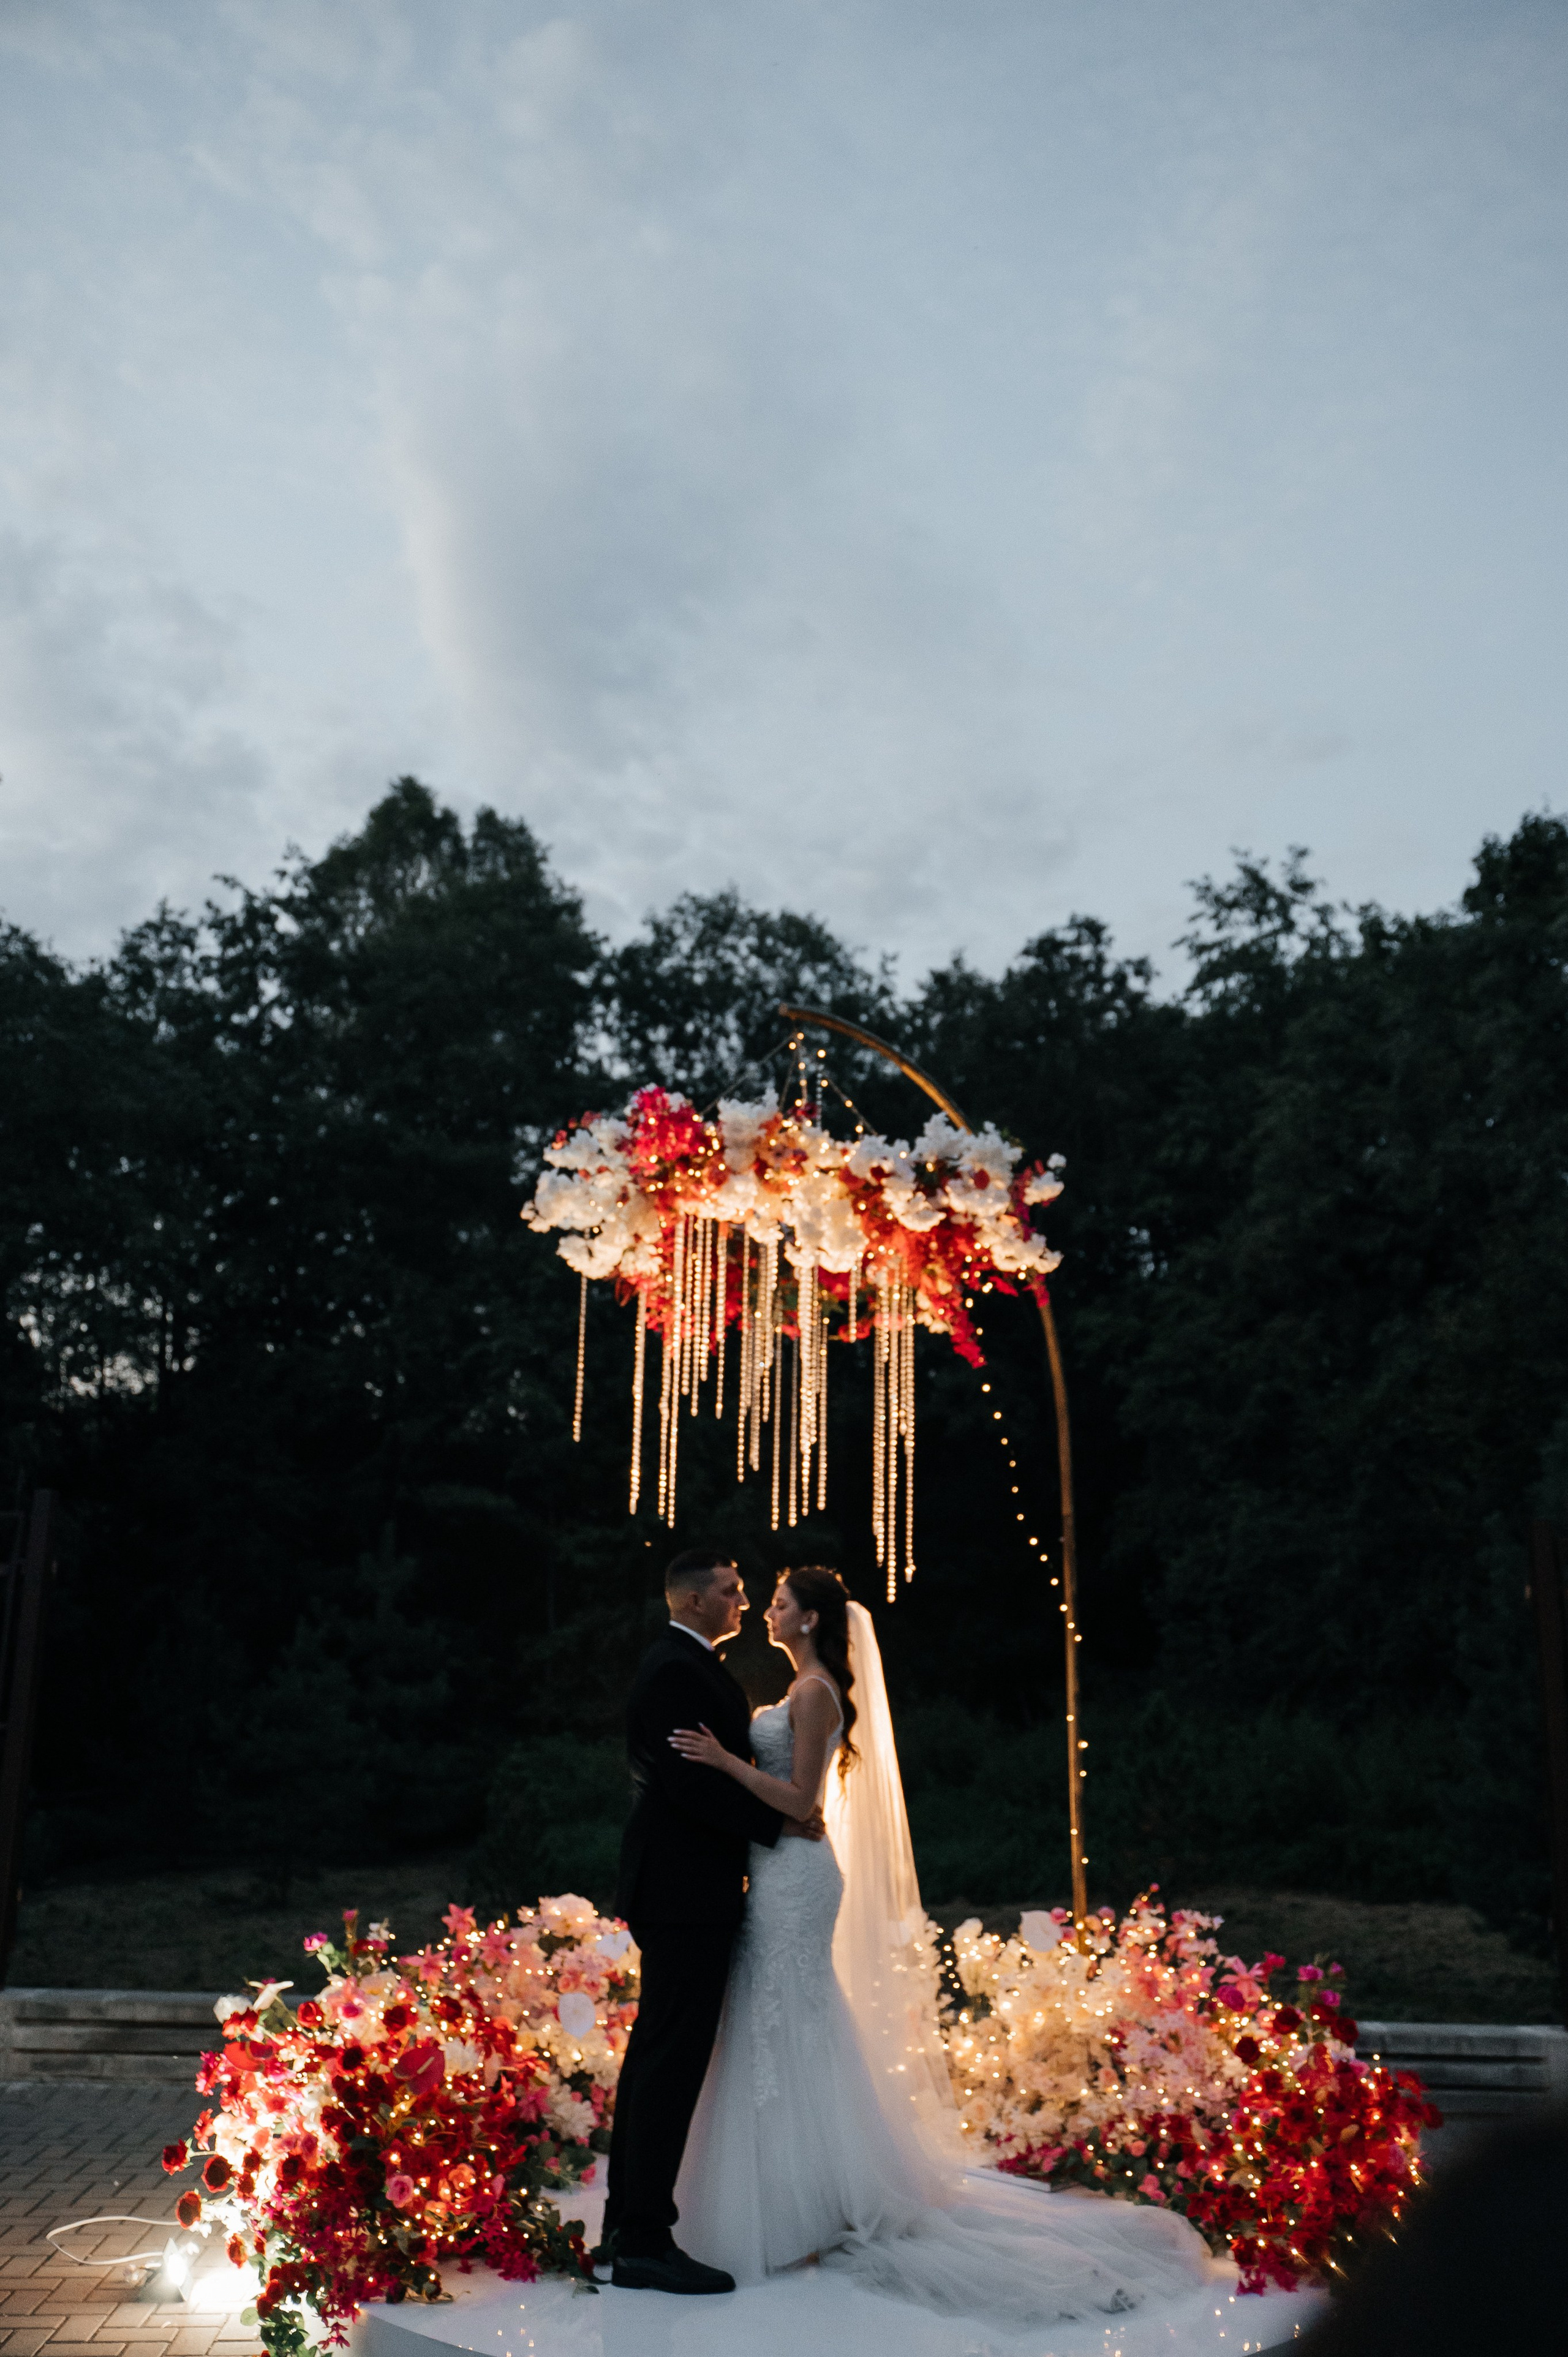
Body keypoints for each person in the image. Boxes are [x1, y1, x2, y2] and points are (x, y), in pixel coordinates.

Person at [666, 1566, 1214, 2328]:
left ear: (813, 1619)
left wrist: (724, 1762)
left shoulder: (814, 1691)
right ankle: (803, 2197)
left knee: (787, 2017)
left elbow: (800, 1802)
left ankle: (806, 2207)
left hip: (794, 1878)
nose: (767, 1609)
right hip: (781, 1867)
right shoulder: (803, 1688)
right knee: (784, 2020)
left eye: (782, 1602)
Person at [600, 1547, 826, 2295]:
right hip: (684, 1890)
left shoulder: (685, 1662)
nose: (743, 1600)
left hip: (684, 1887)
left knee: (658, 2050)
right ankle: (643, 2240)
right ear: (693, 1600)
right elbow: (686, 1782)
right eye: (730, 1591)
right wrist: (780, 1824)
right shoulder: (674, 1668)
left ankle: (624, 2225)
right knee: (672, 2054)